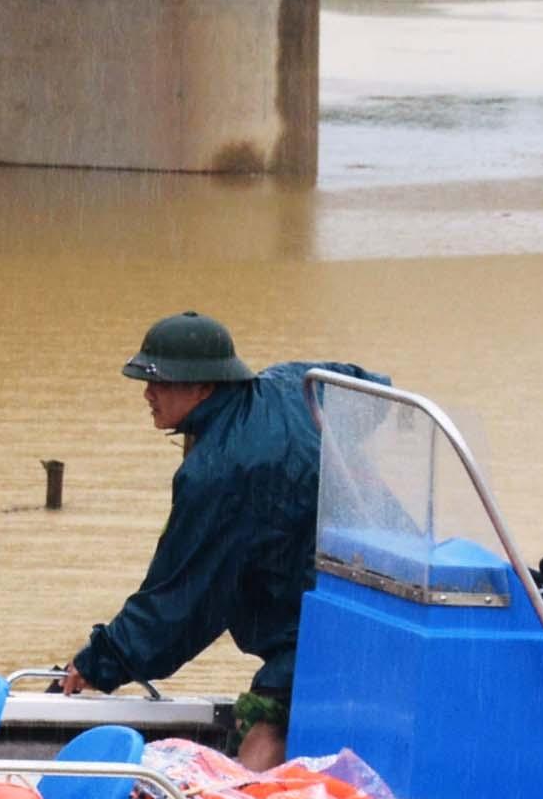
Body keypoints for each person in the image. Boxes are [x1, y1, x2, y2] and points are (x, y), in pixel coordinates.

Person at [54, 312, 377, 770]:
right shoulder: (291, 383)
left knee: (267, 728)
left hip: (318, 628)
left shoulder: (219, 472)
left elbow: (178, 602)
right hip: (373, 589)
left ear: (205, 388)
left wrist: (100, 662)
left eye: (161, 382)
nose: (147, 393)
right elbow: (370, 387)